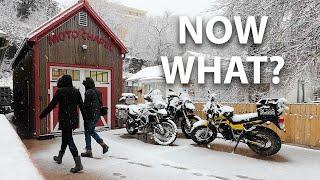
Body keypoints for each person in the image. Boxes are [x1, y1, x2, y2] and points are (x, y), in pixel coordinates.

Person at [39, 75, 85, 173]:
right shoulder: (76, 91)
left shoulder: (61, 92)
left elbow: (51, 105)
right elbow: (82, 106)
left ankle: (78, 164)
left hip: (65, 119)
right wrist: (85, 119)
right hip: (73, 120)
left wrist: (42, 115)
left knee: (68, 139)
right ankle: (60, 157)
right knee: (65, 138)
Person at [81, 77, 109, 158]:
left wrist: (85, 116)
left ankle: (89, 151)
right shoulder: (98, 91)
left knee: (87, 132)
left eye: (85, 84)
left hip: (90, 115)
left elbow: (86, 105)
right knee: (91, 131)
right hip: (96, 115)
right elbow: (100, 104)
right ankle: (103, 145)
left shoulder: (88, 92)